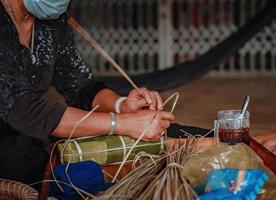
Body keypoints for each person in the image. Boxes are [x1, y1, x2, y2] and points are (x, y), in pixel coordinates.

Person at [0, 0, 175, 185]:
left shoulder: (51, 21)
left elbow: (80, 85)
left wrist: (121, 106)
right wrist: (122, 123)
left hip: (30, 135)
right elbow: (26, 110)